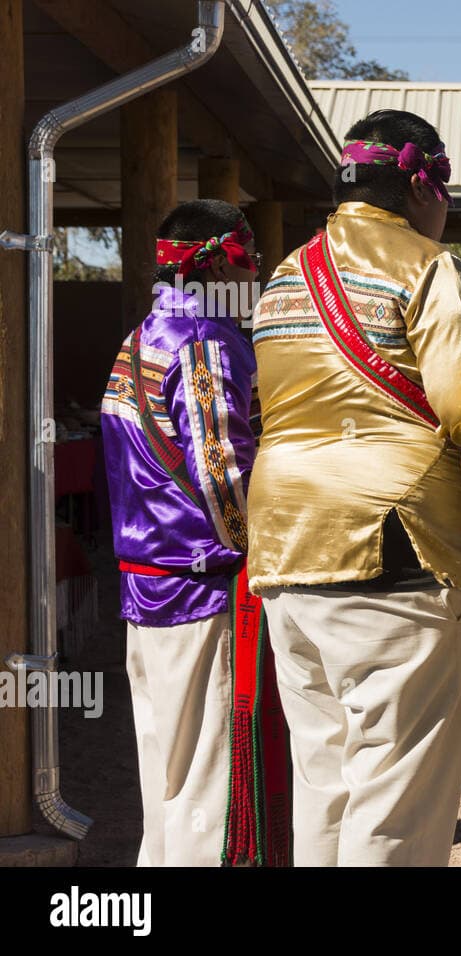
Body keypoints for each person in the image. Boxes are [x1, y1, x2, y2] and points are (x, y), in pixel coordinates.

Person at [246, 109, 461, 865]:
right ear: (424, 187)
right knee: (396, 797)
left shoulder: (285, 275)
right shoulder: (429, 267)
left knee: (324, 781)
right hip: (400, 545)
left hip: (287, 548)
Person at [101, 199, 262, 866]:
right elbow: (223, 477)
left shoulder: (143, 335)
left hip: (148, 588)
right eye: (250, 255)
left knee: (165, 780)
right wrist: (260, 551)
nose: (257, 270)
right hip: (199, 591)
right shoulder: (203, 342)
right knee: (205, 789)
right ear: (219, 264)